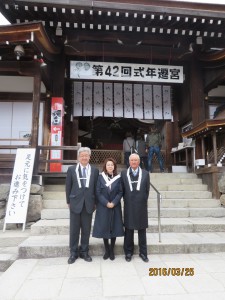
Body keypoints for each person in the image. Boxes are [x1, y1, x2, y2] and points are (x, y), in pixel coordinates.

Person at [66, 147, 99, 264]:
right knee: (74, 229)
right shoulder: (71, 170)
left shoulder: (95, 171)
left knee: (86, 229)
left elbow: (96, 188)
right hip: (75, 203)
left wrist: (96, 202)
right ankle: (73, 252)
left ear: (89, 157)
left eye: (86, 155)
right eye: (82, 155)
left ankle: (84, 251)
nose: (84, 157)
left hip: (89, 203)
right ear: (79, 157)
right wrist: (68, 201)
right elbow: (68, 187)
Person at [121, 153, 150, 262]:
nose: (133, 162)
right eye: (132, 160)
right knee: (129, 230)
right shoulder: (123, 174)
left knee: (142, 230)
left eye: (136, 160)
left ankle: (143, 253)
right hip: (129, 205)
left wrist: (142, 200)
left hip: (141, 206)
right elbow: (122, 190)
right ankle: (128, 252)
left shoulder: (145, 174)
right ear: (129, 162)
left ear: (139, 162)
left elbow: (147, 191)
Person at [92, 158, 124, 260]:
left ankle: (112, 250)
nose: (110, 166)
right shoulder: (100, 177)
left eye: (112, 165)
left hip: (115, 206)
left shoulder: (118, 178)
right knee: (104, 228)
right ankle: (107, 250)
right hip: (103, 206)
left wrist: (114, 202)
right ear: (105, 166)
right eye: (108, 165)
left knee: (114, 228)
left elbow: (120, 192)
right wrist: (106, 203)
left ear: (114, 167)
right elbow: (98, 192)